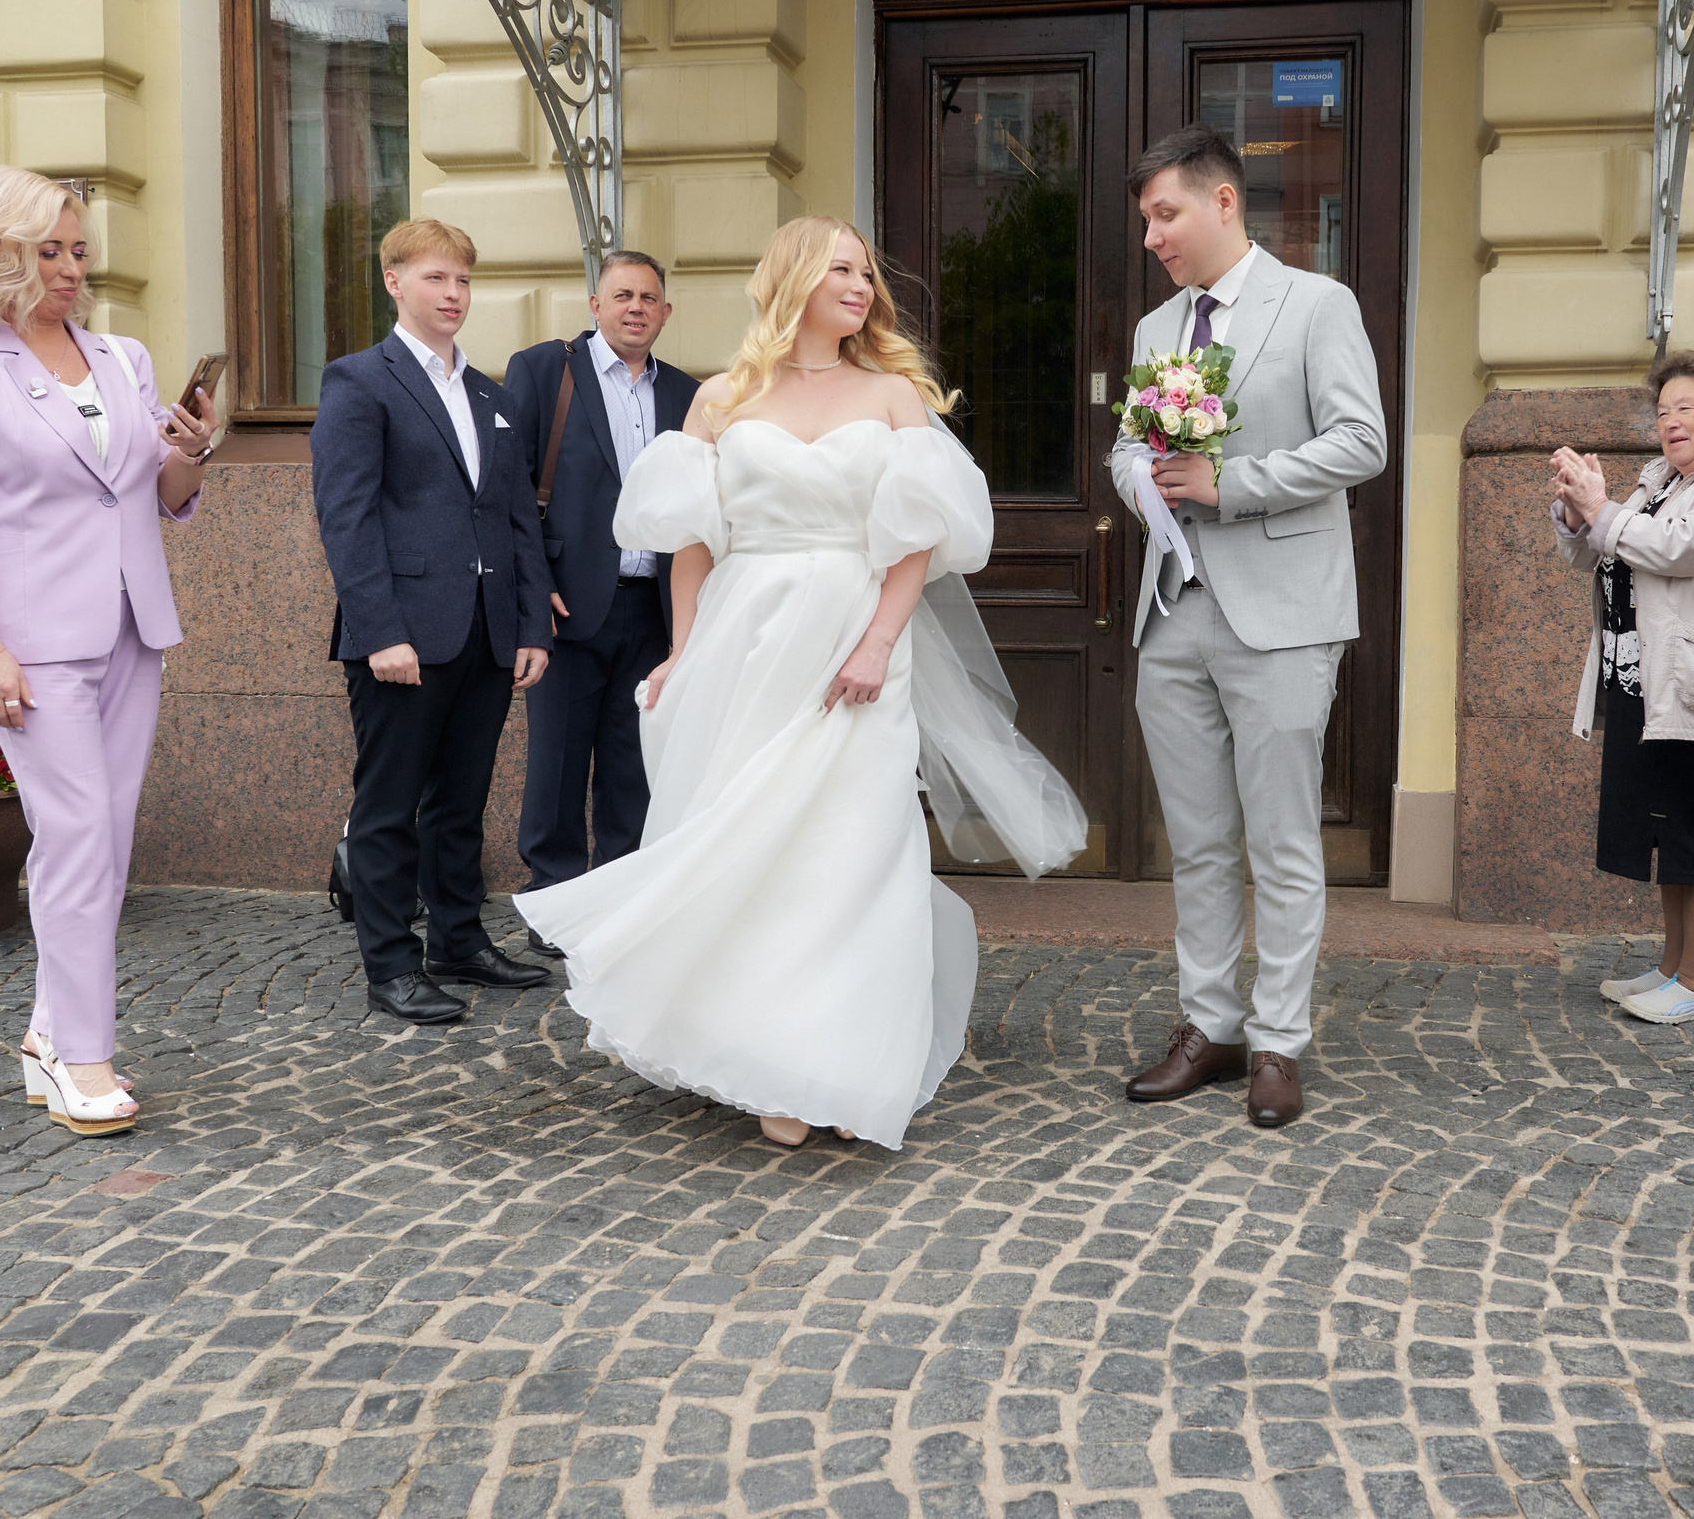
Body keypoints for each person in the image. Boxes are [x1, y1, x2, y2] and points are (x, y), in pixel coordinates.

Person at [514, 216, 1084, 1149]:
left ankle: (845, 1063)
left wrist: (877, 640)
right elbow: (692, 545)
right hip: (749, 634)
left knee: (852, 847)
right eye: (842, 270)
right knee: (751, 837)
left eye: (867, 271)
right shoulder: (723, 398)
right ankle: (757, 1048)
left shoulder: (896, 393)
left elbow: (919, 537)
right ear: (793, 281)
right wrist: (685, 652)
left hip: (860, 636)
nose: (862, 285)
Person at [0, 166, 217, 1136]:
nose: (73, 268)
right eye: (50, 251)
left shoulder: (122, 355)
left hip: (132, 627)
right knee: (78, 834)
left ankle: (47, 1031)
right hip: (28, 646)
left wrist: (191, 451)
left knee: (103, 840)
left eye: (78, 249)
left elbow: (156, 496)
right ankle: (85, 1055)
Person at [1108, 127, 1388, 1129]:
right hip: (1172, 609)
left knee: (1279, 839)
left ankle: (1277, 1041)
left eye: (1164, 214)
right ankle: (1208, 1027)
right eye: (1145, 219)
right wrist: (1136, 478)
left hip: (1281, 615)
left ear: (1223, 202)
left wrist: (1235, 486)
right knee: (1196, 839)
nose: (1151, 235)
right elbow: (1126, 450)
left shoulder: (1317, 305)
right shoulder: (1154, 331)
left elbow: (1361, 441)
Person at [309, 218, 554, 1026]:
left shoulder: (488, 393)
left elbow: (518, 517)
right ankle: (390, 964)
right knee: (389, 804)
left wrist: (531, 627)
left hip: (485, 632)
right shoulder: (359, 381)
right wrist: (380, 631)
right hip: (402, 637)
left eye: (463, 281)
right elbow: (346, 518)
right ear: (395, 282)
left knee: (462, 801)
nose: (454, 295)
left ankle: (458, 938)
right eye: (436, 279)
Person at [1551, 349, 1694, 1024]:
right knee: (1672, 837)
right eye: (1662, 411)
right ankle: (1672, 969)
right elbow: (1596, 550)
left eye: (1687, 408)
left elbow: (1676, 549)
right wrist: (1576, 508)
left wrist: (1604, 508)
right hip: (1650, 685)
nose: (1671, 422)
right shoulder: (1662, 482)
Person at [503, 251, 699, 926]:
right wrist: (534, 592)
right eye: (622, 295)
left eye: (649, 297)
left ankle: (619, 902)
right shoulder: (543, 370)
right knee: (556, 761)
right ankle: (553, 905)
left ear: (666, 313)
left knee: (632, 763)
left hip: (655, 608)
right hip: (567, 604)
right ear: (595, 304)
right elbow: (511, 495)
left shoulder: (685, 393)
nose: (636, 307)